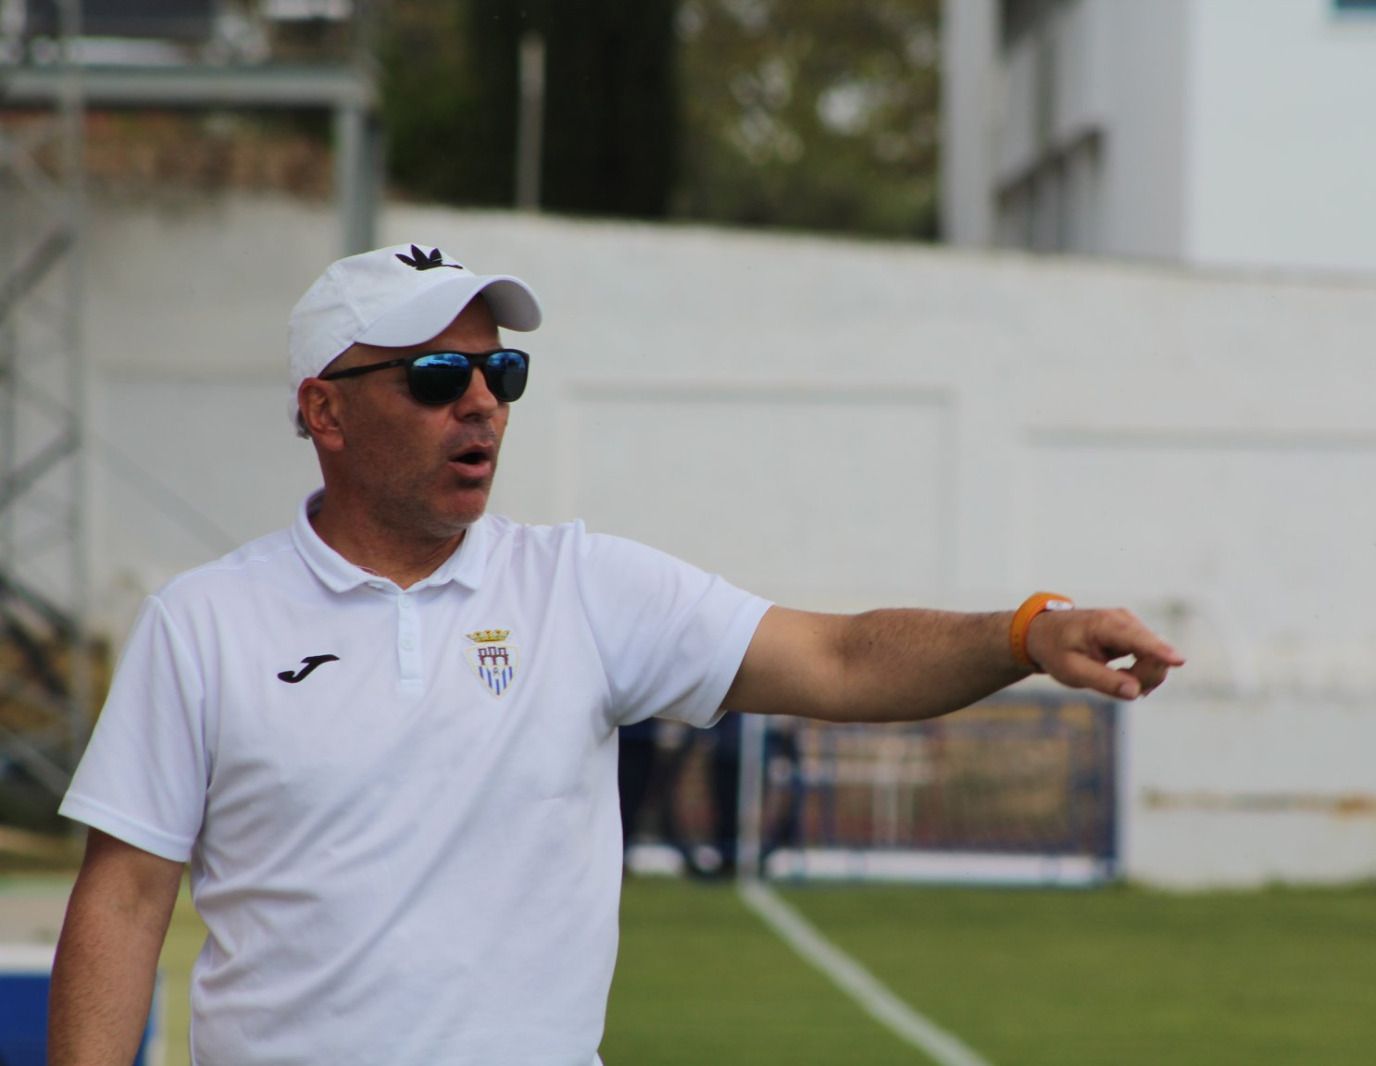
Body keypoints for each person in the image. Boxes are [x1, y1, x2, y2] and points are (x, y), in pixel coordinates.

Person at [47, 243, 1184, 1066]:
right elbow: (124, 901)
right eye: (437, 378)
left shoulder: (584, 586)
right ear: (325, 413)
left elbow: (840, 659)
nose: (481, 403)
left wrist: (1024, 631)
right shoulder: (203, 623)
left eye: (501, 374)